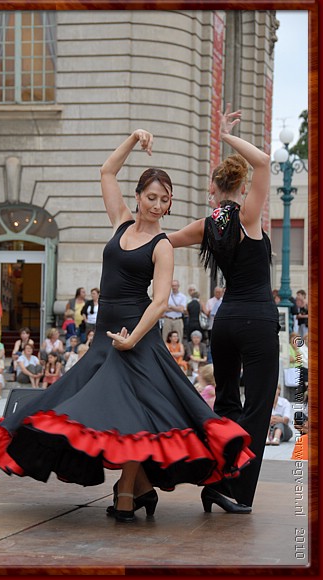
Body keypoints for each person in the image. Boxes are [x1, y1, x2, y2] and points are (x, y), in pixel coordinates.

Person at [0, 127, 253, 523]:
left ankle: (127, 493)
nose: (157, 205)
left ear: (169, 205)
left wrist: (133, 339)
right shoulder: (121, 222)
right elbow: (107, 172)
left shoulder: (163, 246)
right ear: (137, 196)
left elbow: (158, 302)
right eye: (151, 196)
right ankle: (140, 489)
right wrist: (133, 140)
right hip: (106, 340)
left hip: (136, 341)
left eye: (164, 200)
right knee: (92, 411)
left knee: (134, 419)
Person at [168, 104, 280, 511]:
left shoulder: (207, 224)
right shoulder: (250, 217)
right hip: (256, 319)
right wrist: (226, 135)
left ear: (215, 187)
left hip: (225, 320)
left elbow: (165, 241)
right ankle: (233, 488)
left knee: (227, 403)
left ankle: (216, 481)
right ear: (242, 183)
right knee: (258, 406)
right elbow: (265, 161)